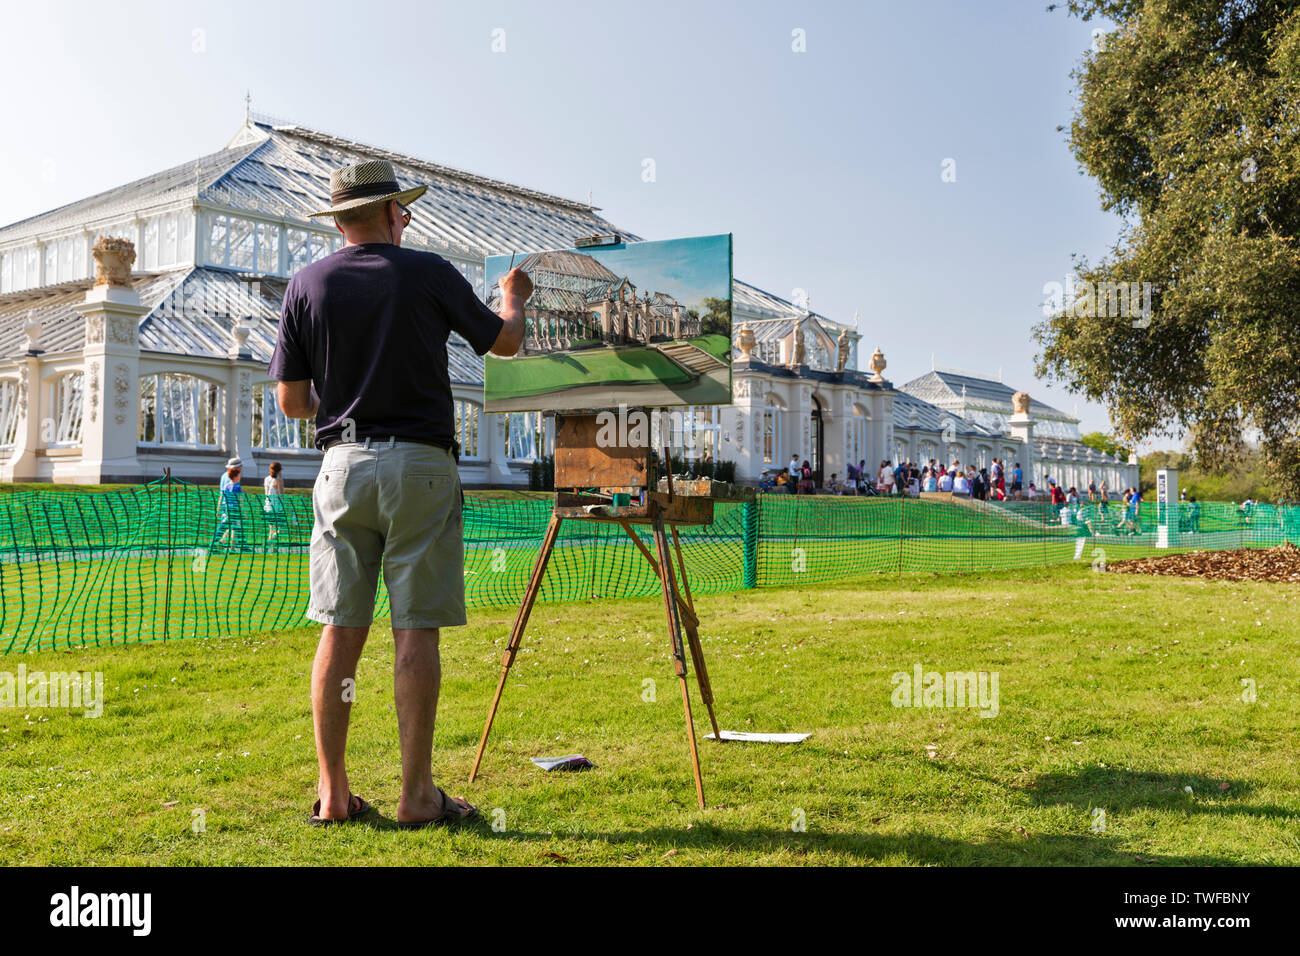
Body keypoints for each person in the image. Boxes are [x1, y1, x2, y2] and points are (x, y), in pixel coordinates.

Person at [269, 159, 529, 827]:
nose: (408, 219)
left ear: (340, 220)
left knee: (339, 630)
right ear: (391, 212)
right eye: (404, 211)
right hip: (419, 463)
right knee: (416, 629)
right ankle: (417, 795)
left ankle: (332, 793)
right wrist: (515, 298)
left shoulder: (306, 284)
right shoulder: (428, 273)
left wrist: (348, 392)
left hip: (342, 465)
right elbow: (504, 344)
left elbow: (293, 404)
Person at [214, 457, 245, 549]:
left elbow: (222, 493)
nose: (241, 468)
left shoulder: (224, 475)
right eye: (240, 466)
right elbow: (239, 498)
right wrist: (242, 510)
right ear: (236, 467)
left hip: (225, 505)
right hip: (232, 506)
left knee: (228, 525)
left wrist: (219, 507)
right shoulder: (233, 480)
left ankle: (221, 542)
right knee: (233, 526)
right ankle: (232, 545)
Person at [263, 460, 287, 543]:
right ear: (279, 471)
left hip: (267, 506)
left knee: (272, 528)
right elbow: (281, 496)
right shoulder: (279, 480)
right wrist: (285, 506)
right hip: (276, 507)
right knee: (281, 529)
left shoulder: (266, 479)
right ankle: (270, 542)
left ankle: (272, 549)